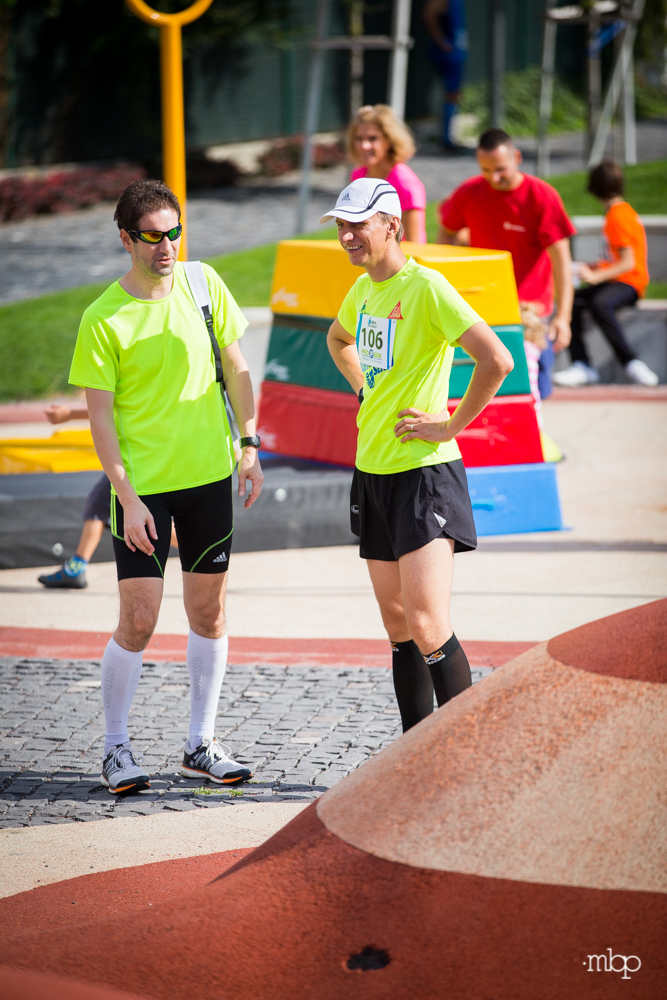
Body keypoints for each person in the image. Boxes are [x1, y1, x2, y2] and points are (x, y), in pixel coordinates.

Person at [68, 178, 264, 794]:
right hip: (143, 491)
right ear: (125, 239)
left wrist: (249, 444)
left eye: (174, 232)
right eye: (151, 236)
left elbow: (237, 367)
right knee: (139, 618)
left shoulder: (204, 285)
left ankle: (200, 743)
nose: (166, 246)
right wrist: (126, 498)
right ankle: (115, 747)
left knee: (209, 612)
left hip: (208, 478)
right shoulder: (103, 318)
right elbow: (101, 421)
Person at [325, 178, 513, 732]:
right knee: (399, 625)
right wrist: (365, 389)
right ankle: (414, 757)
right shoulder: (362, 290)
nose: (347, 235)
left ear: (392, 225)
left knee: (429, 624)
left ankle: (459, 755)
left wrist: (450, 424)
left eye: (358, 224)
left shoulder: (427, 286)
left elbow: (497, 360)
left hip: (424, 474)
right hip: (372, 472)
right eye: (342, 225)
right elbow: (338, 339)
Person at [437, 127, 575, 399]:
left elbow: (562, 261)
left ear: (517, 158)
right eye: (486, 170)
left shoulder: (541, 196)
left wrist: (564, 317)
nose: (494, 177)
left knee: (534, 388)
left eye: (500, 169)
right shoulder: (469, 192)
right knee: (484, 386)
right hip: (483, 307)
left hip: (529, 312)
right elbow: (447, 232)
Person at [554, 160, 659, 388]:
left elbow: (628, 263)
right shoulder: (618, 212)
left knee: (601, 304)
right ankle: (581, 364)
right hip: (616, 279)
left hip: (629, 283)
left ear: (595, 188)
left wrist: (596, 277)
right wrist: (591, 268)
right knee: (573, 300)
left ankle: (630, 361)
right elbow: (615, 259)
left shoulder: (618, 216)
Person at [37, 403, 110, 590]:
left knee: (101, 503)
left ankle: (77, 567)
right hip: (153, 449)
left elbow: (113, 405)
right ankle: (77, 566)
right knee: (100, 503)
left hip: (141, 451)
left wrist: (69, 414)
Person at [347, 104, 427, 243]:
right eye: (358, 139)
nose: (364, 146)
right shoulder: (358, 176)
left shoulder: (405, 184)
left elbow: (416, 244)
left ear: (389, 140)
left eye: (373, 138)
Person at [423, 0, 468, 151]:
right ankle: (447, 140)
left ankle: (449, 137)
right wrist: (441, 41)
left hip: (457, 53)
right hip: (449, 55)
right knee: (451, 94)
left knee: (455, 95)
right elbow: (428, 14)